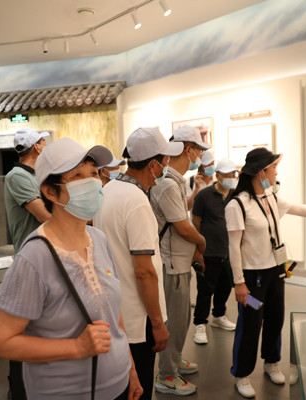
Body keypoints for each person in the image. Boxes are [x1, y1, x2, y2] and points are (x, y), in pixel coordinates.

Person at [0, 137, 143, 400]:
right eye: (78, 176)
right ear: (50, 191)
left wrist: (131, 368)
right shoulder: (34, 257)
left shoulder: (99, 239)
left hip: (119, 385)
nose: (92, 182)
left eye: (94, 173)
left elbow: (113, 315)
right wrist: (76, 347)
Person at [225, 147, 306, 398]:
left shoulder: (270, 197)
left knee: (275, 318)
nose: (276, 173)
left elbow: (297, 208)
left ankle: (271, 362)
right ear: (261, 172)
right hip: (252, 278)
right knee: (251, 323)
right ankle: (242, 374)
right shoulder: (237, 205)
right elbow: (234, 247)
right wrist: (239, 283)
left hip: (275, 272)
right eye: (273, 168)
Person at [94, 127, 182, 400]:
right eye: (165, 161)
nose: (166, 167)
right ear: (153, 165)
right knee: (139, 389)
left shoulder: (108, 191)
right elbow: (145, 272)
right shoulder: (137, 201)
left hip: (114, 313)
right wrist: (157, 323)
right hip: (138, 321)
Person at [149, 125, 209, 396]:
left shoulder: (173, 180)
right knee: (174, 321)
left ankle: (174, 360)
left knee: (182, 319)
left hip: (180, 262)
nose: (200, 156)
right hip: (173, 263)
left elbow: (181, 214)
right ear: (188, 150)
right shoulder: (168, 183)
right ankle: (166, 375)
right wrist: (202, 242)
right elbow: (183, 228)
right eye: (199, 150)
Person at [2, 127, 52, 400]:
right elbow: (44, 215)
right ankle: (19, 391)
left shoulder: (36, 176)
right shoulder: (17, 176)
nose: (46, 145)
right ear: (36, 147)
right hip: (29, 259)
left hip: (43, 258)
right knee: (23, 329)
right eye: (43, 141)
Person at [191, 158, 239, 345]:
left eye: (233, 174)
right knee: (205, 290)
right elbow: (196, 220)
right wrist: (200, 245)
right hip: (209, 252)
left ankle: (219, 316)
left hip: (229, 253)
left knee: (225, 287)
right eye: (227, 175)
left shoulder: (236, 195)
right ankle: (200, 323)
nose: (231, 177)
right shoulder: (204, 195)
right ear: (218, 176)